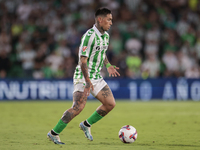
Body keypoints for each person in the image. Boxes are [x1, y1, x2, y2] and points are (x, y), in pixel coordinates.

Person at [47, 7, 120, 144]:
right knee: (78, 107)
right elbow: (82, 60)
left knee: (110, 104)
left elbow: (101, 52)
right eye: (109, 20)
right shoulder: (89, 36)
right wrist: (87, 82)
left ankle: (86, 125)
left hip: (96, 76)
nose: (111, 23)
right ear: (100, 19)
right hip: (83, 75)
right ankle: (53, 133)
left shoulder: (106, 36)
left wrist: (108, 64)